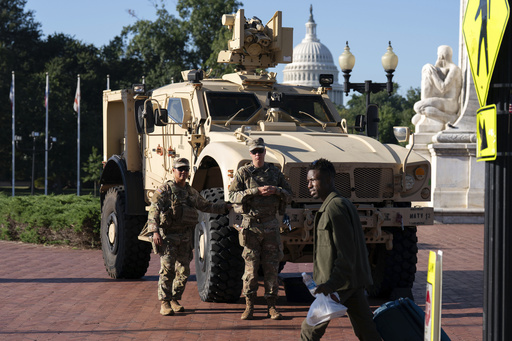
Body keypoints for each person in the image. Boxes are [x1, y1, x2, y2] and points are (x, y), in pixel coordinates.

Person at [300, 158, 381, 341]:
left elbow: (347, 251)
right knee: (367, 332)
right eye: (308, 181)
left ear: (329, 179)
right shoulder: (339, 203)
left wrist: (331, 284)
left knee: (310, 329)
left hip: (339, 283)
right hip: (351, 281)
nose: (309, 185)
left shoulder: (334, 207)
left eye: (314, 180)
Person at [147, 158, 232, 316]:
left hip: (185, 237)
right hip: (169, 236)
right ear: (173, 171)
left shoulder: (191, 192)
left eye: (185, 169)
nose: (183, 172)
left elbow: (206, 206)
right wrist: (155, 232)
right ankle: (164, 302)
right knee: (167, 270)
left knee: (184, 270)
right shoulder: (165, 190)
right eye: (180, 169)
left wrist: (224, 207)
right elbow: (154, 211)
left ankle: (175, 298)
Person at [228, 137, 292, 320]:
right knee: (251, 269)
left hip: (271, 225)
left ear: (265, 152)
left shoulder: (275, 172)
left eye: (261, 151)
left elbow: (290, 195)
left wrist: (277, 191)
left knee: (272, 267)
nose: (258, 154)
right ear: (250, 153)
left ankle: (272, 307)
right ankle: (249, 306)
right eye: (255, 151)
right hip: (252, 226)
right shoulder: (244, 173)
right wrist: (255, 191)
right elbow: (233, 195)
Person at [412, 45, 462, 133]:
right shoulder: (446, 68)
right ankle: (445, 117)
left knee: (418, 107)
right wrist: (428, 68)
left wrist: (433, 73)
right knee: (415, 119)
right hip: (444, 103)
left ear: (441, 55)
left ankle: (449, 118)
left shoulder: (454, 69)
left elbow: (443, 88)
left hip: (451, 103)